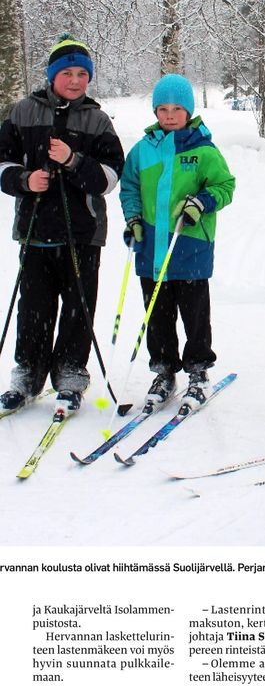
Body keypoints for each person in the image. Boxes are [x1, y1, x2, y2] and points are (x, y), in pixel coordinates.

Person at [0, 34, 124, 413]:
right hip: (35, 232)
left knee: (78, 307)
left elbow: (110, 177)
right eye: (67, 73)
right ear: (52, 75)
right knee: (33, 307)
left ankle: (71, 372)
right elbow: (2, 164)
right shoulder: (23, 112)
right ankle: (28, 373)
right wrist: (25, 180)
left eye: (82, 74)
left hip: (82, 234)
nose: (74, 81)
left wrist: (74, 161)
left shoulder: (97, 120)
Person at [119, 74, 235, 411]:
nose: (169, 115)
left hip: (190, 248)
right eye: (163, 108)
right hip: (151, 251)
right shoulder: (143, 151)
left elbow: (225, 186)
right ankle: (164, 371)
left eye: (177, 108)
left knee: (195, 316)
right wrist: (134, 220)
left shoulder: (202, 150)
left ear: (188, 110)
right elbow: (129, 188)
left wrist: (201, 202)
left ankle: (198, 372)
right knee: (157, 315)